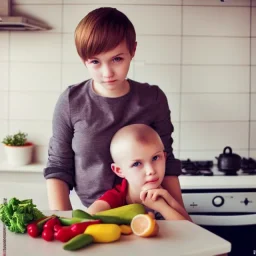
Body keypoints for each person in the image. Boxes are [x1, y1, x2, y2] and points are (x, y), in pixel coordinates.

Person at [43, 7, 188, 218]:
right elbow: (58, 166)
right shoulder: (70, 102)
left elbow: (167, 159)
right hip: (94, 215)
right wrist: (63, 221)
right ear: (84, 59)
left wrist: (180, 216)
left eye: (117, 59)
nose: (107, 73)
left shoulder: (153, 99)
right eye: (95, 62)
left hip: (148, 215)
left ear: (133, 51)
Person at [87, 124, 192, 221]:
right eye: (137, 164)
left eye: (155, 157)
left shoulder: (166, 191)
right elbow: (86, 218)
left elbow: (191, 230)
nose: (151, 171)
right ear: (119, 170)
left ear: (164, 157)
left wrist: (164, 206)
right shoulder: (116, 197)